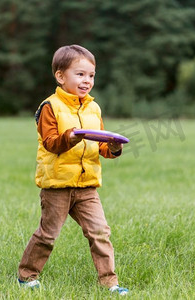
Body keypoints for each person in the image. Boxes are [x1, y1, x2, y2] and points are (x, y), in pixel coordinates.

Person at [17, 45, 129, 296]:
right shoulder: (50, 106)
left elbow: (102, 147)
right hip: (57, 185)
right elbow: (51, 143)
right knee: (47, 235)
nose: (87, 80)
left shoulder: (93, 108)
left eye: (91, 75)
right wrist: (72, 137)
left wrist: (114, 148)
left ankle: (109, 283)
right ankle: (26, 276)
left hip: (87, 185)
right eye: (80, 74)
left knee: (100, 233)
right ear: (60, 76)